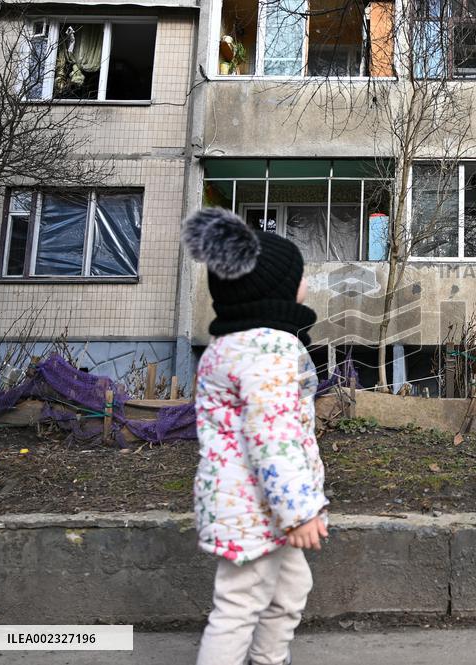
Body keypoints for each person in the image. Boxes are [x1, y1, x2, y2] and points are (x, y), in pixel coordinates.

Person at [182, 207, 329, 665]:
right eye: (300, 276)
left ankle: (269, 659)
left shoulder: (233, 345)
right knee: (239, 604)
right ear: (277, 288)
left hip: (254, 505)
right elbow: (274, 437)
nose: (304, 284)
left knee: (290, 589)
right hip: (256, 511)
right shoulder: (269, 350)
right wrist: (301, 512)